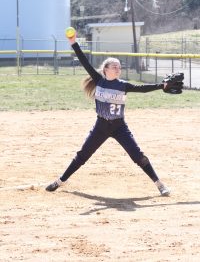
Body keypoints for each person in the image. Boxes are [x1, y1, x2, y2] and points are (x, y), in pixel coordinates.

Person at [46, 32, 170, 196]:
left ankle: (159, 183)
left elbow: (143, 89)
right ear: (105, 70)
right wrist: (74, 43)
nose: (118, 69)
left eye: (119, 67)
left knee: (137, 155)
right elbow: (84, 62)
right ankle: (60, 181)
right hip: (101, 126)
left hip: (119, 127)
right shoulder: (99, 80)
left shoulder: (123, 85)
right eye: (114, 67)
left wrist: (162, 86)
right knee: (83, 155)